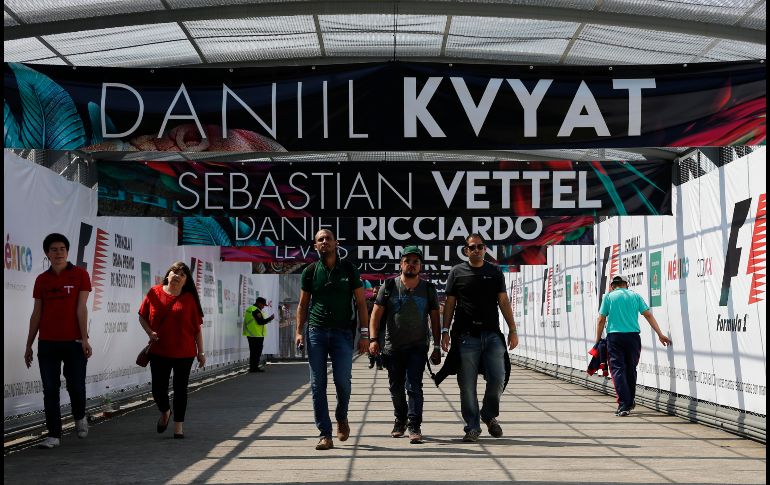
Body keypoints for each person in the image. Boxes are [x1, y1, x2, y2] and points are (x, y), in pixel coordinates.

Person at [295, 229, 369, 450]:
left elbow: (361, 303)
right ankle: (324, 433)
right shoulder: (309, 271)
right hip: (316, 332)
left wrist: (364, 334)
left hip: (342, 333)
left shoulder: (349, 269)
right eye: (320, 240)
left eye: (328, 238)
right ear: (315, 246)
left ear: (336, 243)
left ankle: (341, 416)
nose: (324, 242)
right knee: (318, 384)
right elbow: (302, 305)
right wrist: (299, 331)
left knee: (342, 381)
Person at [441, 234, 518, 442]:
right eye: (472, 247)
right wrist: (444, 331)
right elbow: (449, 304)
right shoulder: (457, 272)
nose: (476, 250)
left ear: (485, 249)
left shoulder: (494, 271)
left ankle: (488, 414)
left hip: (492, 334)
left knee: (498, 378)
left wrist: (512, 329)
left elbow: (503, 301)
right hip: (466, 336)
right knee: (467, 384)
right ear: (466, 250)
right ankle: (472, 427)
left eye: (480, 246)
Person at [24, 233, 93, 449]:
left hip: (73, 342)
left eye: (62, 248)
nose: (59, 253)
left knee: (76, 387)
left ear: (68, 251)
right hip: (47, 343)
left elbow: (81, 309)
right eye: (54, 249)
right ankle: (54, 434)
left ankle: (80, 417)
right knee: (50, 389)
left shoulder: (80, 275)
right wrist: (29, 344)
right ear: (47, 253)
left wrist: (84, 339)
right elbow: (37, 312)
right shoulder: (41, 280)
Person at [369, 246, 441, 444]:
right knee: (395, 387)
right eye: (407, 261)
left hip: (418, 346)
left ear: (420, 266)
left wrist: (436, 347)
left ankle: (414, 424)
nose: (411, 264)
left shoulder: (428, 289)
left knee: (414, 386)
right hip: (393, 347)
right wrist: (373, 339)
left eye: (415, 261)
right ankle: (400, 419)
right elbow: (376, 314)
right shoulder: (389, 286)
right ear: (401, 264)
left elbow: (435, 319)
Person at [138, 261, 206, 439]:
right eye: (175, 272)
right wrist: (149, 332)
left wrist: (201, 352)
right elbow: (142, 316)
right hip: (159, 351)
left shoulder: (189, 299)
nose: (177, 276)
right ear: (168, 275)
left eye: (182, 274)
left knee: (180, 389)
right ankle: (165, 411)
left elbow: (197, 328)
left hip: (185, 352)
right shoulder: (154, 292)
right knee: (158, 390)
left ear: (186, 281)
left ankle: (178, 427)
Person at [596, 275, 672, 416]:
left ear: (613, 286)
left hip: (615, 337)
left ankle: (624, 404)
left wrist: (597, 340)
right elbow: (648, 315)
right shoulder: (635, 296)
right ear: (627, 284)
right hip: (633, 338)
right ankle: (629, 401)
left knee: (617, 369)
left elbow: (601, 319)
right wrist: (660, 334)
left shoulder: (608, 297)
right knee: (631, 369)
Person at [243, 296, 274, 372]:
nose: (263, 307)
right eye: (263, 305)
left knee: (254, 352)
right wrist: (270, 318)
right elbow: (260, 322)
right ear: (259, 303)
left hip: (252, 334)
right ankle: (254, 368)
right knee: (256, 352)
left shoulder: (251, 309)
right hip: (256, 335)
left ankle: (253, 367)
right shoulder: (255, 310)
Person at [367, 286, 383, 371]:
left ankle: (377, 362)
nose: (375, 293)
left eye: (377, 292)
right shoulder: (369, 302)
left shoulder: (384, 302)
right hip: (371, 327)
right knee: (372, 344)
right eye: (374, 292)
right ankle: (373, 360)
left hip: (381, 327)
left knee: (379, 346)